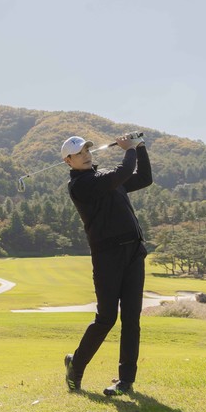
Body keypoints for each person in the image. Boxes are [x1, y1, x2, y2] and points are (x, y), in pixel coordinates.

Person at [61, 133, 152, 396]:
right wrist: (129, 149)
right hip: (108, 258)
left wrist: (140, 148)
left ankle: (126, 381)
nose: (86, 155)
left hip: (133, 252)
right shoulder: (81, 185)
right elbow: (122, 173)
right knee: (106, 318)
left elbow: (144, 178)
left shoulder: (106, 178)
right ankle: (76, 366)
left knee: (132, 319)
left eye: (87, 151)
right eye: (79, 154)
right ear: (68, 161)